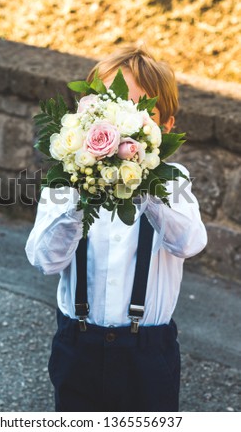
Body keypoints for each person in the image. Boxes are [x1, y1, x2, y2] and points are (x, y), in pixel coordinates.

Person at [24, 44, 207, 412]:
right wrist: (80, 192)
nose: (123, 123)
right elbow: (45, 260)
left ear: (166, 126)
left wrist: (146, 184)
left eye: (141, 111)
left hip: (148, 351)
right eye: (108, 105)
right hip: (78, 343)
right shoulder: (65, 181)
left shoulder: (173, 180)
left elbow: (189, 242)